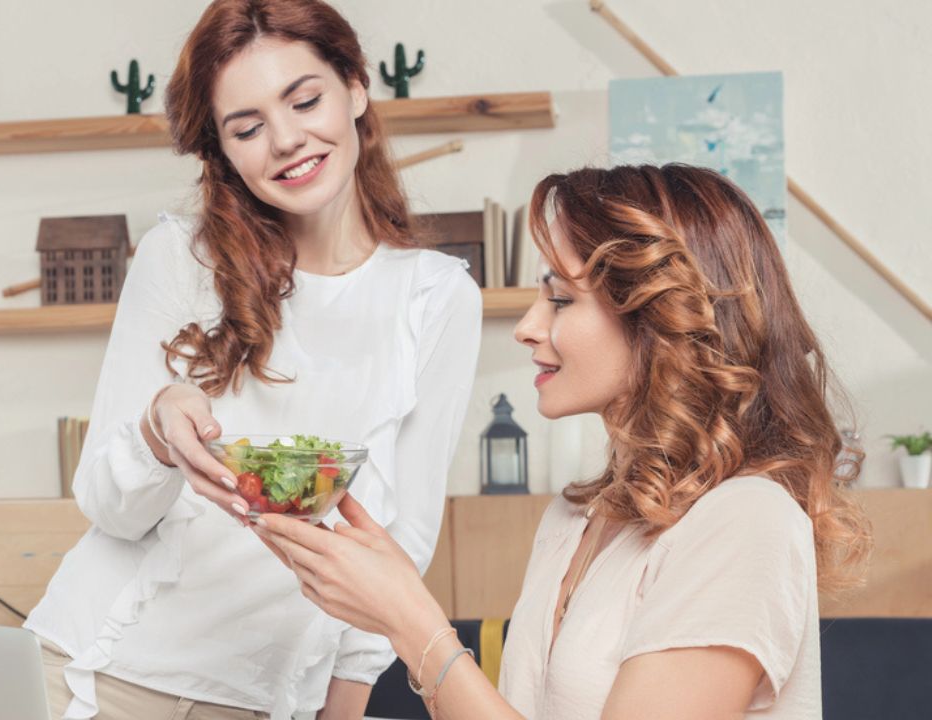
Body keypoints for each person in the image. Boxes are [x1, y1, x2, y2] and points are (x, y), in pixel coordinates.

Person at [256, 164, 873, 719]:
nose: (527, 328)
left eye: (559, 299)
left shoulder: (745, 522)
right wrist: (390, 601)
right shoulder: (576, 518)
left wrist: (410, 620)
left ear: (657, 317)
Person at [23, 1, 482, 718]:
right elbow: (106, 507)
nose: (288, 140)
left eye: (305, 100)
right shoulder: (179, 258)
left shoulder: (436, 297)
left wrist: (349, 698)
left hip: (262, 700)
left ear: (355, 87)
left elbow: (402, 537)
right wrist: (156, 428)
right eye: (248, 127)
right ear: (225, 151)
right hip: (88, 670)